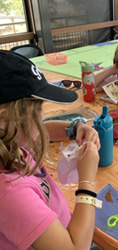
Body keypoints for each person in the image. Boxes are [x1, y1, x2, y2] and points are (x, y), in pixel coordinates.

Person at [0, 50, 101, 249]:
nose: (42, 115)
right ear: (5, 120)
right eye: (36, 110)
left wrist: (74, 128)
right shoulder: (10, 192)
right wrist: (87, 180)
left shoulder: (10, 143)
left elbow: (40, 130)